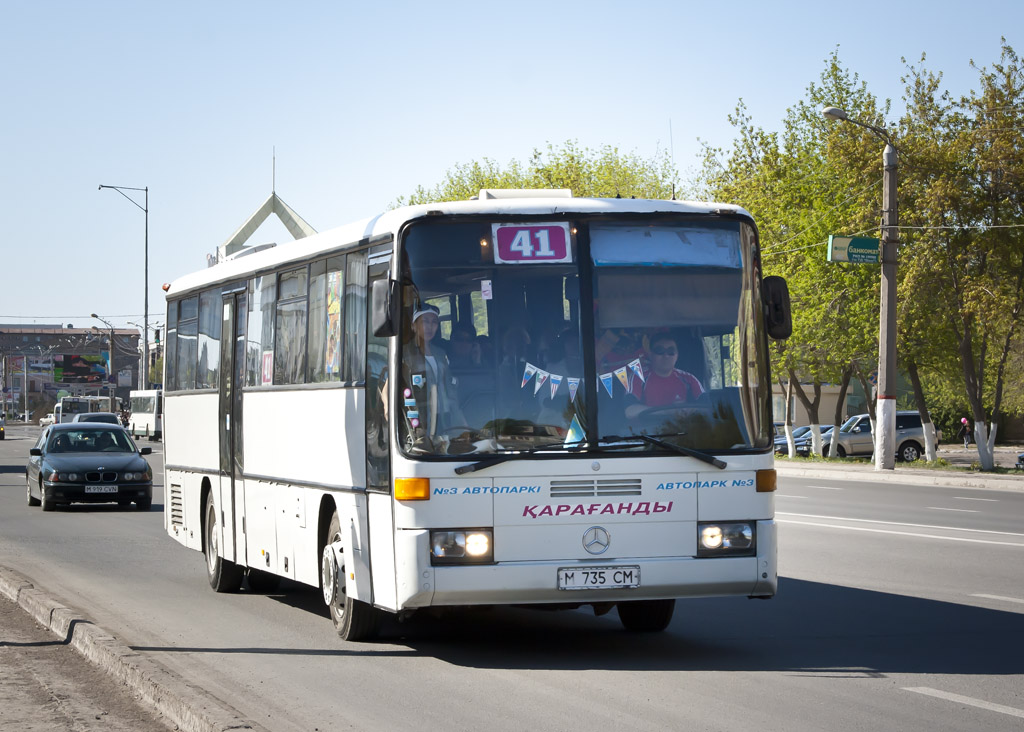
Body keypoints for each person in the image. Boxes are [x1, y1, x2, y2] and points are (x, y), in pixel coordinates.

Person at [401, 303, 465, 448]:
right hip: (420, 419)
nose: (430, 327)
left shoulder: (441, 353)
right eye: (425, 322)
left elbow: (450, 389)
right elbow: (400, 389)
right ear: (414, 326)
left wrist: (461, 420)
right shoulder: (404, 354)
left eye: (434, 322)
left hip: (445, 416)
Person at [625, 334, 704, 419]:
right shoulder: (638, 376)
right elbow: (630, 411)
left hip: (684, 430)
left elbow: (707, 408)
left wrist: (689, 410)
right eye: (660, 351)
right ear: (650, 355)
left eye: (671, 351)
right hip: (647, 431)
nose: (666, 356)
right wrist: (669, 412)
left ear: (677, 355)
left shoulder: (690, 379)